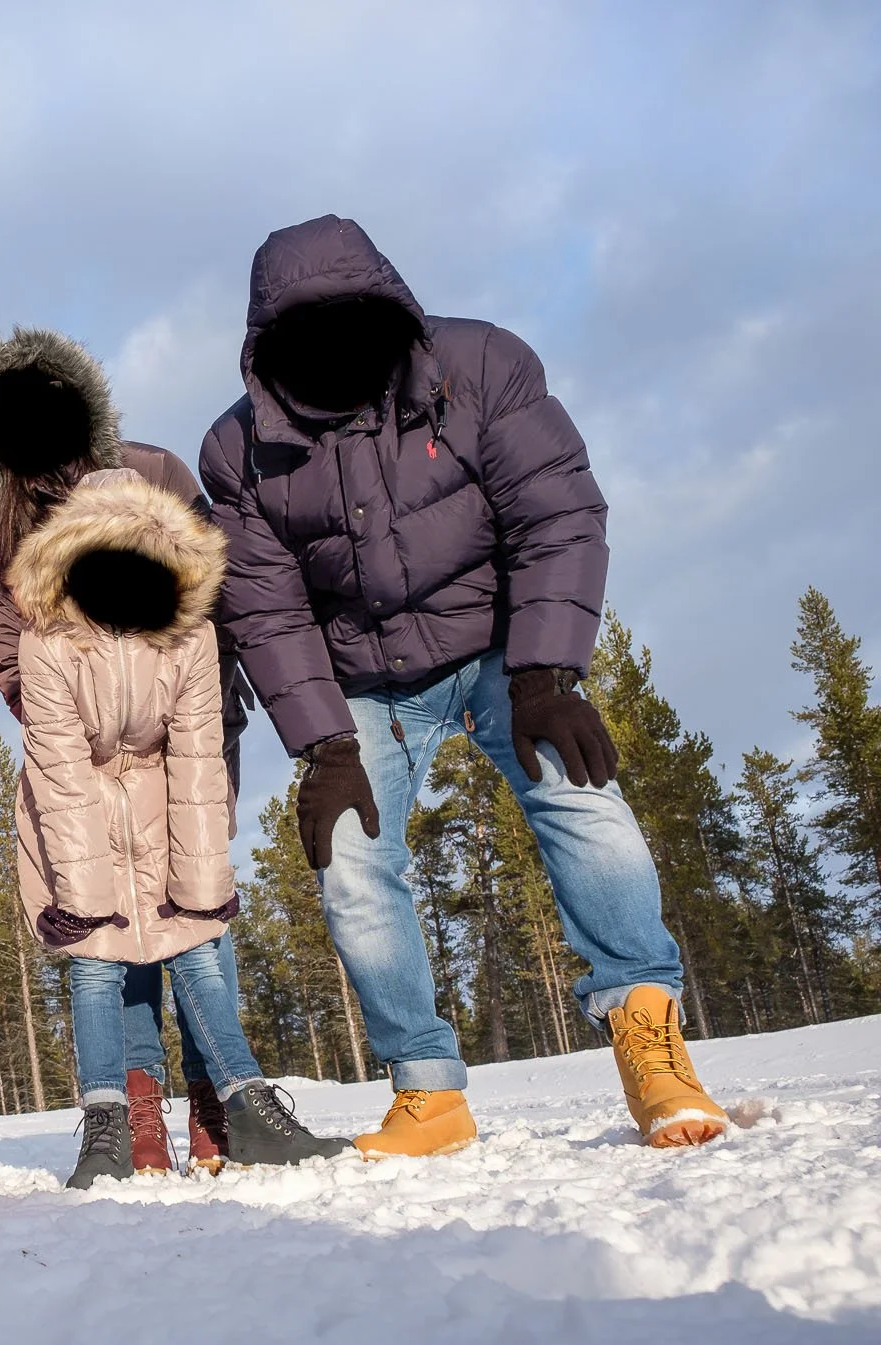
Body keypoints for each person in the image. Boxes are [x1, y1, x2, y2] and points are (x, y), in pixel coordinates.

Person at [199, 214, 727, 1158]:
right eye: (302, 333)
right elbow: (268, 612)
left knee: (575, 788)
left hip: (499, 646)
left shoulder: (480, 368)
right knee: (351, 856)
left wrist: (546, 671)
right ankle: (428, 1088)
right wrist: (324, 746)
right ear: (264, 347)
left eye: (349, 321)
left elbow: (558, 513)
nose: (331, 348)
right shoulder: (239, 450)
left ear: (388, 307)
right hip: (366, 678)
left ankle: (649, 1033)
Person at [0, 327, 247, 1174]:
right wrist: (60, 724)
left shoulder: (152, 469)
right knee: (108, 927)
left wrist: (197, 700)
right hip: (77, 760)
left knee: (195, 906)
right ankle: (138, 1112)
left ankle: (214, 1098)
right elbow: (2, 640)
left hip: (183, 733)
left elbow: (208, 580)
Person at [7, 468, 349, 1187]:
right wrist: (85, 891)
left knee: (195, 945)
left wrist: (199, 882)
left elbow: (197, 751)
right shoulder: (46, 639)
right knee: (97, 961)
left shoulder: (190, 636)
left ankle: (248, 1106)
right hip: (77, 809)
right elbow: (60, 766)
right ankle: (104, 1128)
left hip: (167, 800)